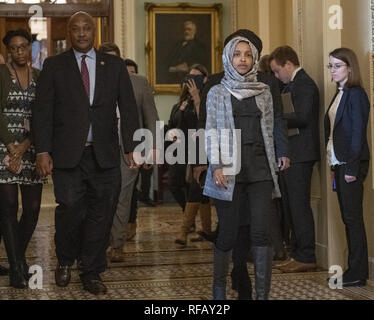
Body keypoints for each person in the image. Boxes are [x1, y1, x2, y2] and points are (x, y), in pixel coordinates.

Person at [32, 12, 140, 295]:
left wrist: (132, 147)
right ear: (69, 33)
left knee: (101, 214)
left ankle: (91, 271)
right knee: (70, 209)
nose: (81, 33)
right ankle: (66, 260)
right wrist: (42, 150)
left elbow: (128, 108)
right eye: (76, 29)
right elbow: (42, 112)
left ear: (94, 32)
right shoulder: (54, 65)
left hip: (104, 155)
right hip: (68, 155)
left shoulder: (114, 66)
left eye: (86, 28)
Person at [204, 35, 282, 300]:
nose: (243, 59)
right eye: (237, 54)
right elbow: (211, 130)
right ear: (228, 57)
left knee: (261, 233)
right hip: (228, 171)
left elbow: (270, 131)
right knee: (226, 234)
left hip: (260, 170)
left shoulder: (264, 91)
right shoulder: (217, 91)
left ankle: (262, 296)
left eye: (247, 55)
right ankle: (218, 296)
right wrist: (216, 165)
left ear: (254, 59)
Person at [98, 43, 159, 262]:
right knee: (101, 199)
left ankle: (117, 244)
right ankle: (99, 241)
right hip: (99, 149)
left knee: (122, 199)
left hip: (130, 150)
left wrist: (152, 150)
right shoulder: (92, 83)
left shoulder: (138, 83)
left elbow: (151, 117)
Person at [269, 46, 320, 273]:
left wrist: (275, 117)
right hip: (292, 153)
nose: (277, 76)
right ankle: (296, 253)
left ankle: (307, 255)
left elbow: (302, 116)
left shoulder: (305, 84)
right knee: (290, 206)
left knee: (299, 207)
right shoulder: (291, 85)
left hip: (301, 154)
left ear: (288, 64)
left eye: (278, 71)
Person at [0, 29, 43, 289]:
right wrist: (10, 146)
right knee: (7, 208)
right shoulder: (1, 74)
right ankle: (17, 269)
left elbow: (44, 114)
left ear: (30, 49)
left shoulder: (40, 77)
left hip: (32, 146)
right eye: (14, 48)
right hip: (2, 146)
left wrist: (26, 144)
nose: (19, 52)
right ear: (8, 51)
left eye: (24, 47)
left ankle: (17, 258)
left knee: (32, 210)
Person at [325, 48, 370, 287]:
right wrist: (334, 166)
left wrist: (351, 168)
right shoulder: (340, 93)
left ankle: (358, 272)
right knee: (348, 218)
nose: (332, 70)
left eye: (337, 66)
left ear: (350, 68)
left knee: (353, 219)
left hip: (351, 165)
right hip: (339, 164)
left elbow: (357, 135)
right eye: (330, 66)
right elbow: (334, 134)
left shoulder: (356, 94)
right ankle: (354, 269)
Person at [167, 64, 213, 246]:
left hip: (201, 148)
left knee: (197, 187)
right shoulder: (179, 104)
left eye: (196, 78)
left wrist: (196, 96)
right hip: (180, 150)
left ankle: (184, 231)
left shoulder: (206, 99)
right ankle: (207, 230)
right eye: (189, 77)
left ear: (204, 80)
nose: (191, 81)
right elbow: (172, 125)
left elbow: (205, 120)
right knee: (177, 184)